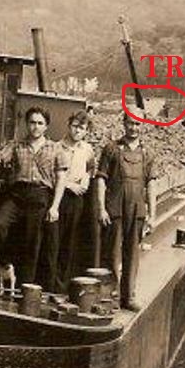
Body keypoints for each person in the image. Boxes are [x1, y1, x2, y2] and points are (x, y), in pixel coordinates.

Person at [0, 106, 69, 289]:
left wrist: (55, 207)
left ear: (46, 126)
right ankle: (0, 266)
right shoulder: (16, 145)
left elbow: (61, 179)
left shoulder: (55, 148)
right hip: (17, 194)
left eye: (40, 123)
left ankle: (26, 286)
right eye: (32, 122)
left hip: (40, 195)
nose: (35, 127)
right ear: (27, 124)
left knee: (32, 240)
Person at [97, 115, 157, 311]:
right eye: (130, 123)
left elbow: (151, 184)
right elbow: (101, 179)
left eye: (137, 123)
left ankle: (128, 297)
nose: (134, 127)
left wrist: (153, 215)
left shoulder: (147, 153)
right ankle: (110, 296)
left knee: (132, 254)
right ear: (124, 124)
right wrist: (101, 208)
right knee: (112, 253)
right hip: (115, 207)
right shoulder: (112, 149)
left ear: (142, 125)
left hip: (137, 209)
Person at [54, 110, 97, 291]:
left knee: (70, 242)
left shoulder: (87, 150)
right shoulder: (57, 147)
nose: (77, 131)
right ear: (69, 126)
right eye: (75, 126)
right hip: (59, 197)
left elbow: (91, 168)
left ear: (86, 131)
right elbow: (52, 174)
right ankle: (52, 283)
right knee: (55, 240)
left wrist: (86, 179)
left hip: (77, 200)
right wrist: (69, 185)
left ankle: (63, 285)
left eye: (82, 128)